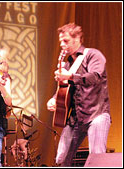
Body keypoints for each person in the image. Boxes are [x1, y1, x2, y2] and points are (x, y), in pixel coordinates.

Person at [46, 23, 111, 166]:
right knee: (61, 159)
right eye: (61, 41)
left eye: (66, 41)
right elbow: (65, 88)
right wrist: (54, 99)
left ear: (77, 39)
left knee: (97, 159)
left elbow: (95, 77)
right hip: (76, 118)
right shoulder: (68, 63)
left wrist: (70, 76)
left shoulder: (93, 55)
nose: (62, 44)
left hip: (97, 114)